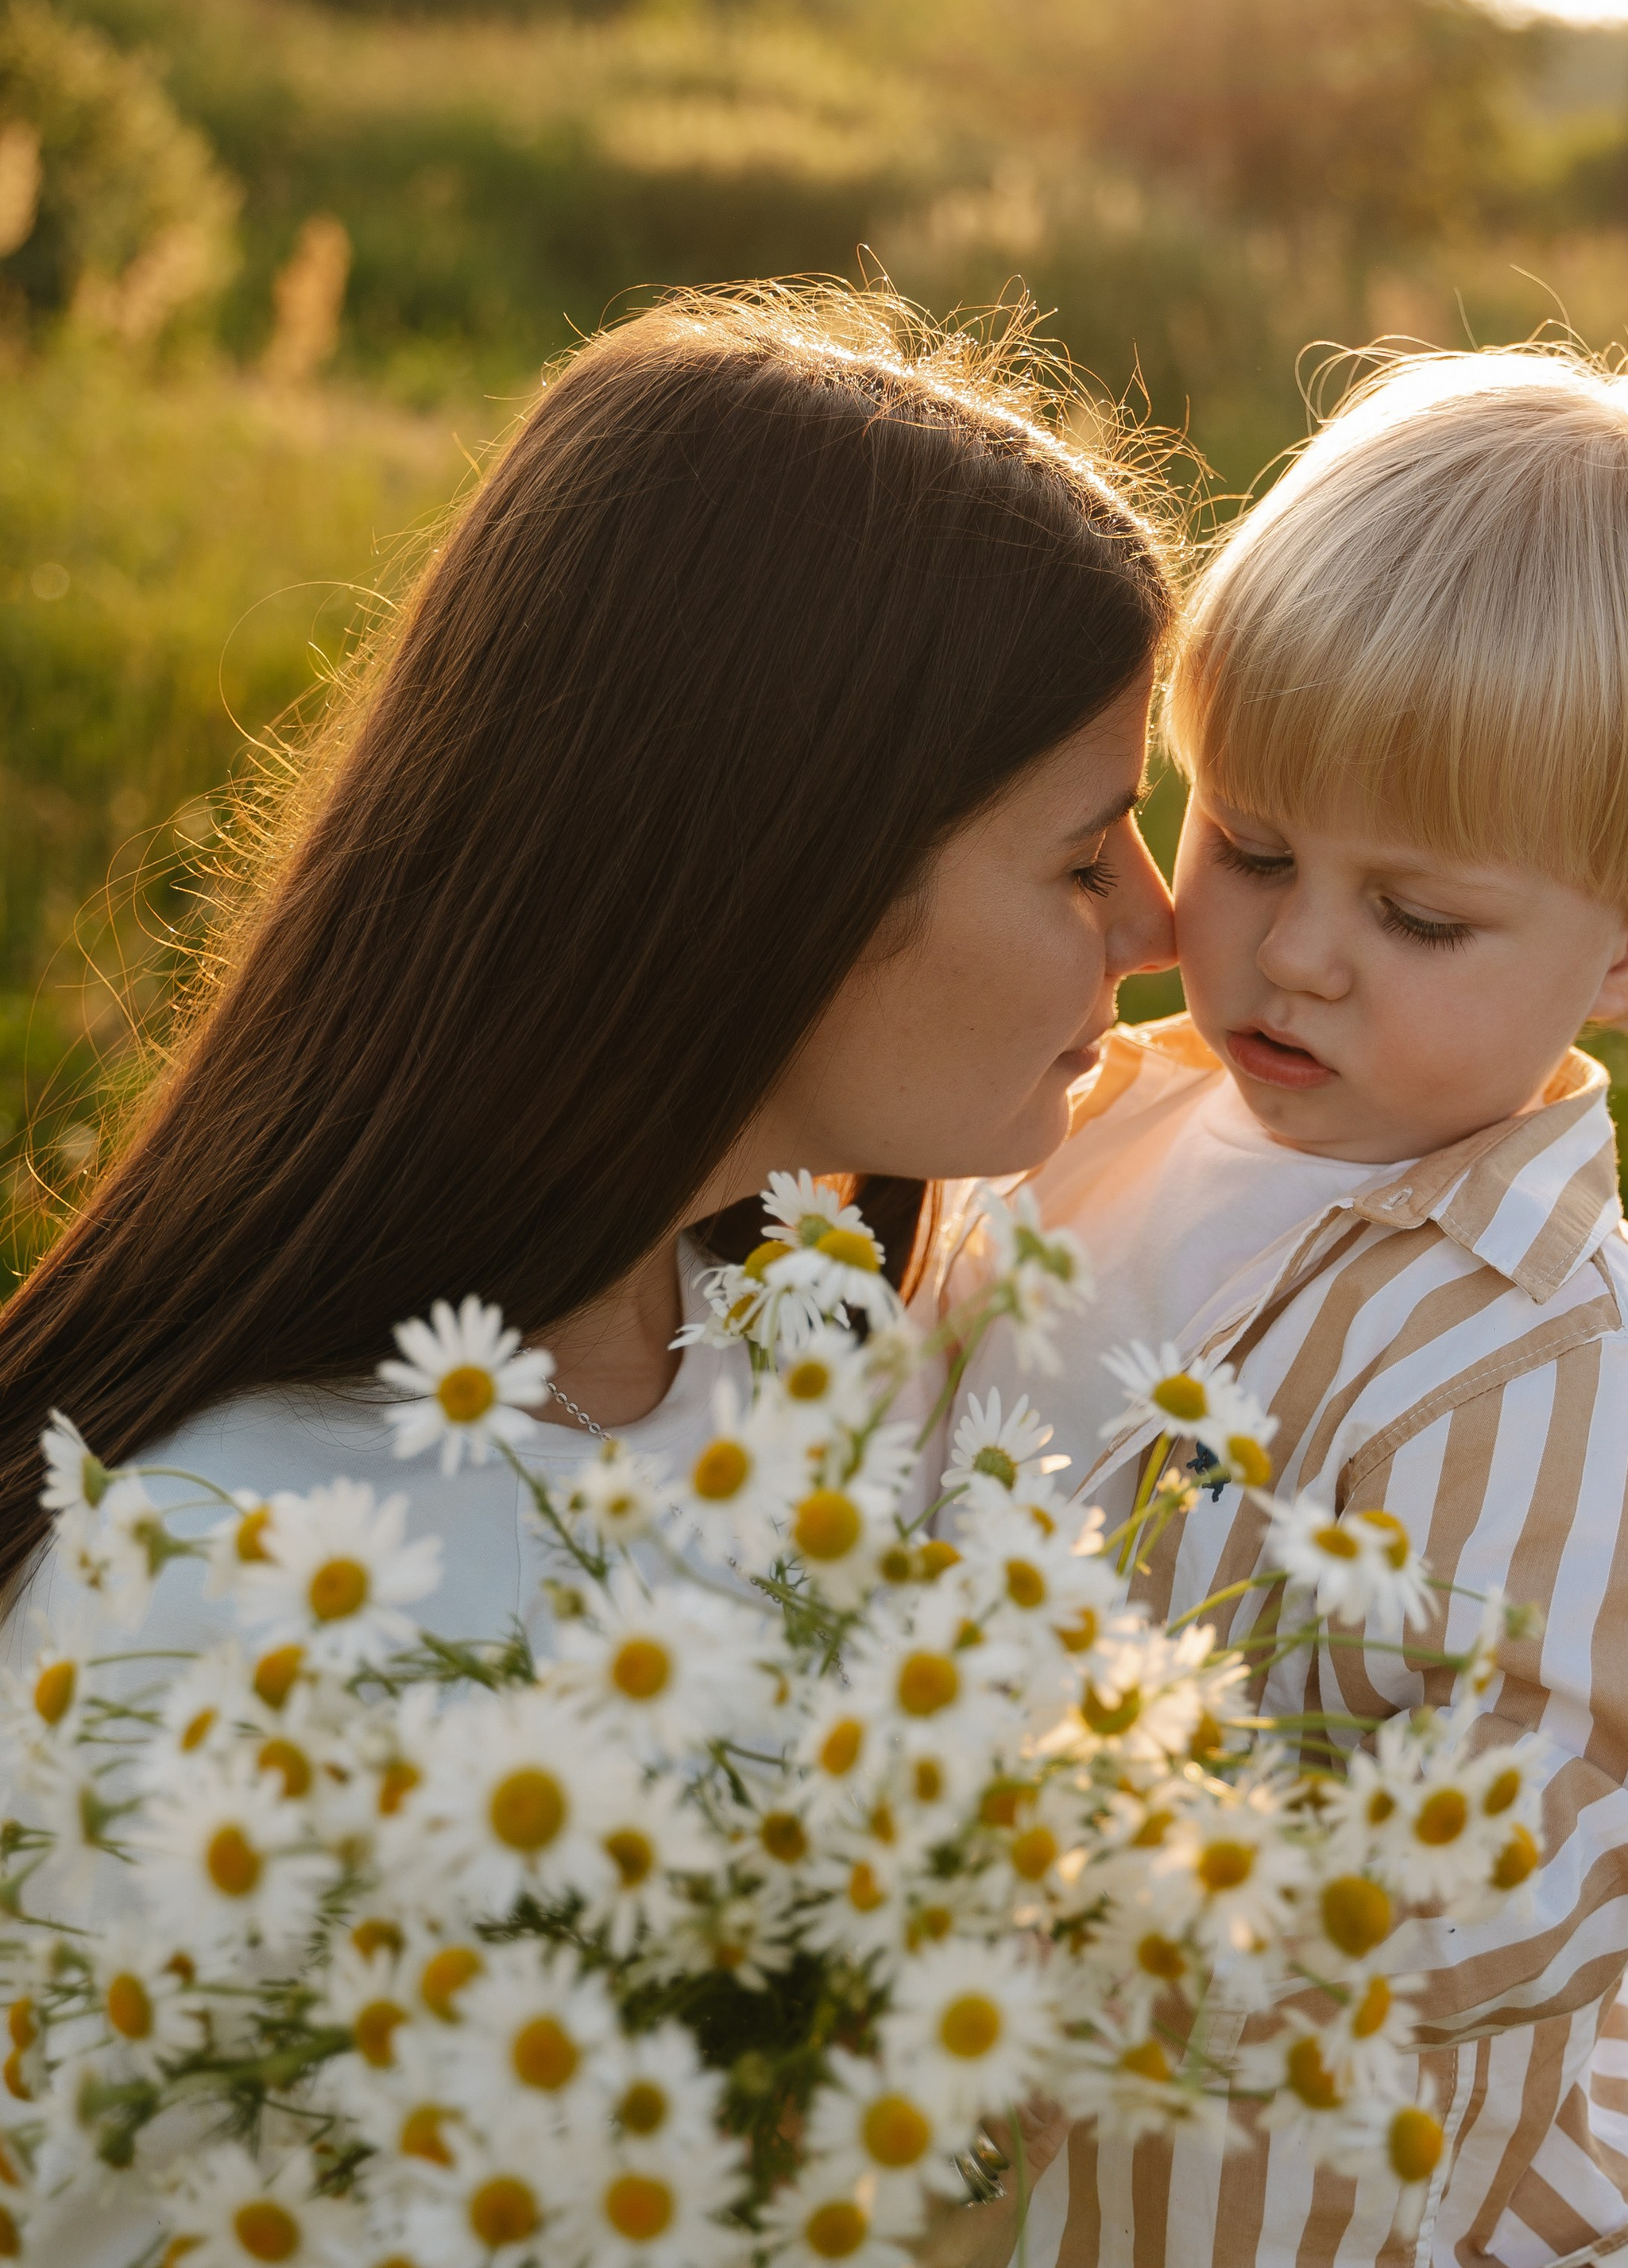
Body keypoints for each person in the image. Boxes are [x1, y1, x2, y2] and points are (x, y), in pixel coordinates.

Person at [938, 346, 1628, 2268]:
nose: (1296, 952)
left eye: (1416, 917)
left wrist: (1094, 1881)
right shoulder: (1084, 1125)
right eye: (1249, 845)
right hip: (1021, 2167)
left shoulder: (1588, 1374)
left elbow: (1541, 1853)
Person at [0, 283, 1177, 1674]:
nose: (1164, 927)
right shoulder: (228, 1574)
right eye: (1087, 858)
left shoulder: (820, 1340)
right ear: (790, 877)